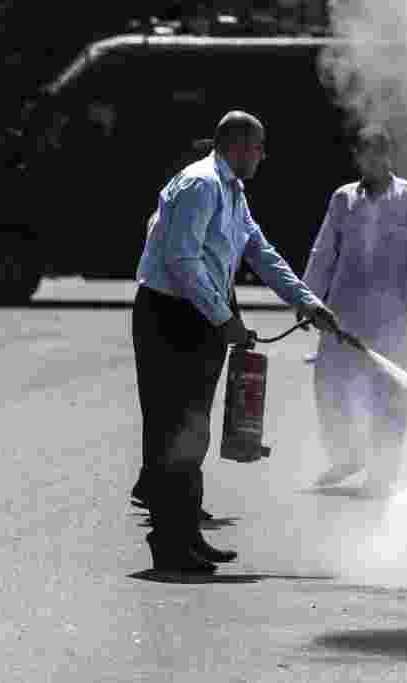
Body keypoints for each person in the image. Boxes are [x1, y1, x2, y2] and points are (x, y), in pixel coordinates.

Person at [132, 110, 342, 573]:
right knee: (173, 428)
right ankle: (168, 542)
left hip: (199, 315)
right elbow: (183, 261)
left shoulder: (232, 191)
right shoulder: (201, 185)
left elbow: (260, 251)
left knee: (194, 429)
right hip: (170, 315)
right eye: (259, 147)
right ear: (239, 146)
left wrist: (306, 301)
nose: (263, 157)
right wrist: (224, 317)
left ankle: (187, 534)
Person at [302, 125, 407, 497]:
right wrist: (308, 299)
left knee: (391, 391)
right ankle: (346, 454)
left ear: (389, 156)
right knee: (331, 383)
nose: (373, 160)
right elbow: (324, 251)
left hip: (393, 311)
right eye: (366, 153)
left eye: (380, 153)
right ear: (359, 158)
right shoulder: (343, 198)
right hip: (345, 308)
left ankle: (382, 471)